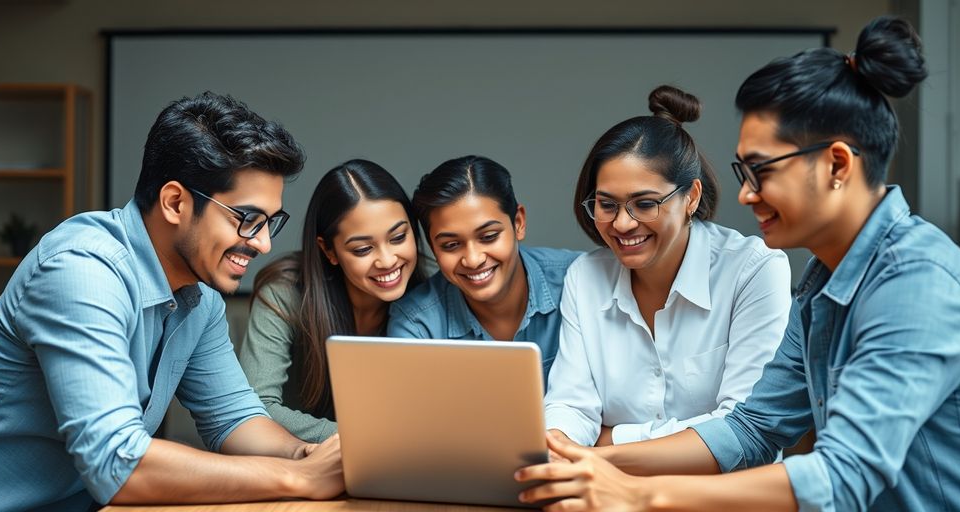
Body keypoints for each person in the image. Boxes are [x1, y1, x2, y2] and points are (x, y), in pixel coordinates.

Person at [515, 16, 960, 512]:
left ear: (837, 164)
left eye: (761, 171)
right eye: (742, 172)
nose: (746, 194)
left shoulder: (916, 280)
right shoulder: (822, 286)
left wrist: (639, 493)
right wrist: (589, 465)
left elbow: (844, 474)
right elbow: (751, 429)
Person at [0, 92, 344, 511]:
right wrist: (298, 477)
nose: (262, 243)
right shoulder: (82, 271)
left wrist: (310, 457)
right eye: (247, 220)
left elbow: (234, 419)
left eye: (269, 222)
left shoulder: (199, 298)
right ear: (175, 203)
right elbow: (117, 461)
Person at [544, 85, 790, 448]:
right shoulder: (585, 276)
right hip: (610, 491)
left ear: (691, 196)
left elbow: (741, 432)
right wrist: (560, 442)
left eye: (644, 204)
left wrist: (610, 441)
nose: (622, 224)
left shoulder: (753, 271)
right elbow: (571, 406)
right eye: (606, 204)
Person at [239, 159, 427, 443]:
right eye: (363, 249)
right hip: (297, 466)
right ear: (329, 251)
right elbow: (257, 406)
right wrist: (366, 440)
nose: (388, 260)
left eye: (399, 237)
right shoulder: (285, 292)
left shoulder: (434, 290)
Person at [387, 155, 581, 382]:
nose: (473, 259)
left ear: (518, 223)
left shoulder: (579, 280)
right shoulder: (416, 324)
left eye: (488, 237)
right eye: (450, 245)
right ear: (432, 247)